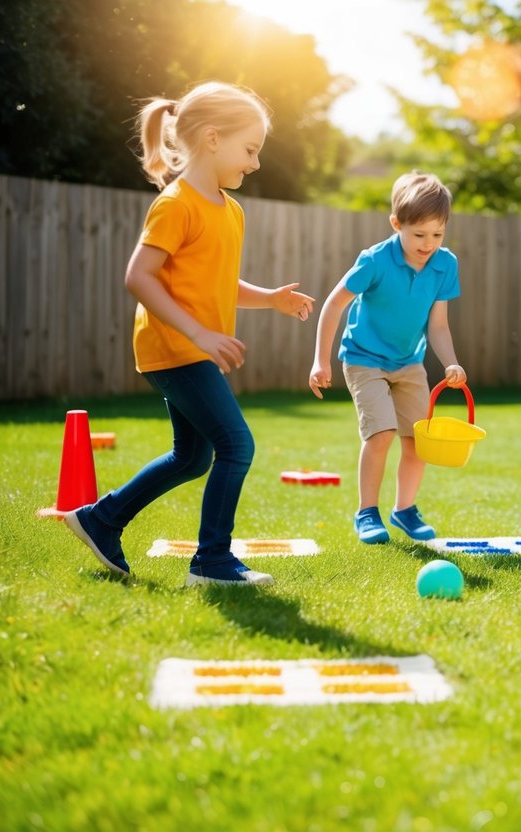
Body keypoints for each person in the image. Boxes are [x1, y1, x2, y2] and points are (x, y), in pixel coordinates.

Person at [63, 82, 314, 586]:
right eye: (251, 150)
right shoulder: (176, 204)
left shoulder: (230, 209)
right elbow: (139, 275)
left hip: (190, 349)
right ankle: (213, 562)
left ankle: (100, 519)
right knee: (236, 445)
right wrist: (199, 333)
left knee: (193, 456)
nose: (256, 163)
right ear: (214, 139)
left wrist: (269, 299)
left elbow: (217, 280)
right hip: (175, 348)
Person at [309, 171, 466, 545]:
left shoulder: (445, 265)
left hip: (409, 363)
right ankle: (367, 512)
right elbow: (334, 304)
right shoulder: (376, 260)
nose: (428, 244)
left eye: (437, 234)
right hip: (364, 358)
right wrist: (320, 361)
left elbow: (439, 326)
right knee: (381, 433)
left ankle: (404, 510)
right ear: (397, 224)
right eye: (419, 235)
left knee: (416, 441)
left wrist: (451, 362)